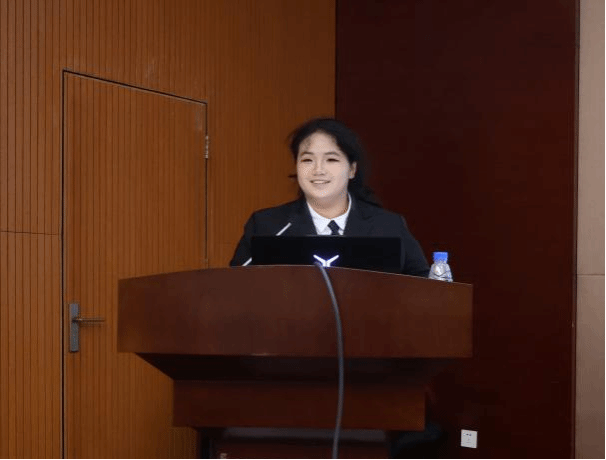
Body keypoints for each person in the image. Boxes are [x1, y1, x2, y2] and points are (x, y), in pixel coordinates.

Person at [229, 117, 429, 277]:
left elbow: (424, 287)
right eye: (307, 160)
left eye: (331, 159)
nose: (318, 170)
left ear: (352, 169)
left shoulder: (388, 226)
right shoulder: (267, 226)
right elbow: (235, 288)